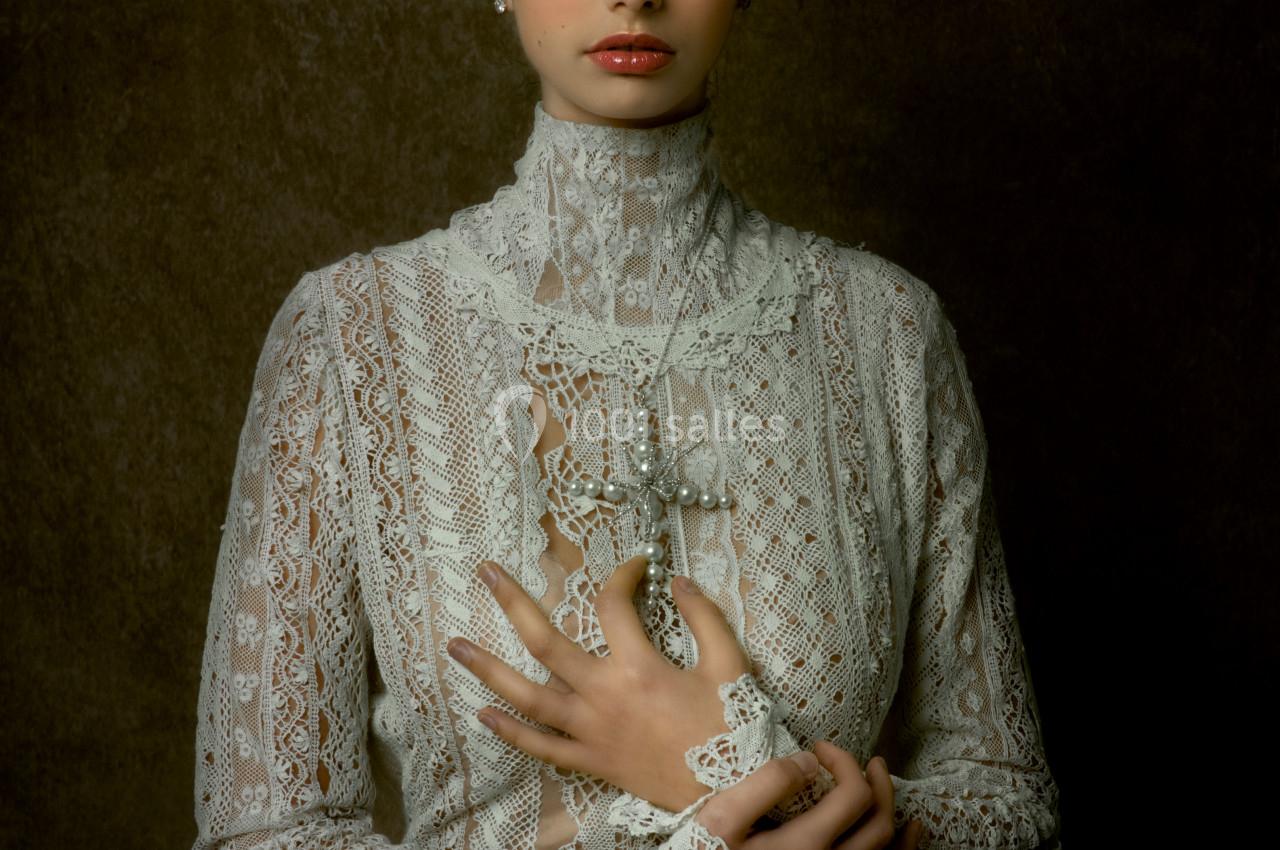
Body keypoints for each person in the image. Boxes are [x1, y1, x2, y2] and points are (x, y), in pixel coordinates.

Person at [190, 1, 1062, 848]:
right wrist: (752, 796)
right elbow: (268, 832)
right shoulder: (352, 334)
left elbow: (1010, 802)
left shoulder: (889, 333)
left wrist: (718, 768)